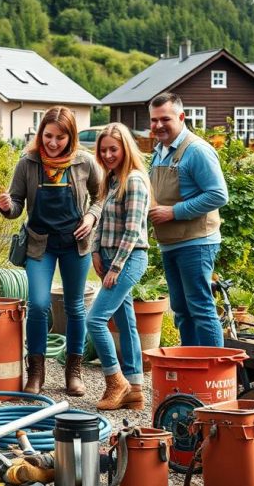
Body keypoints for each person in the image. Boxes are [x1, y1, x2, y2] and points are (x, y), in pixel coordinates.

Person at [0, 106, 102, 396]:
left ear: (71, 137)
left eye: (60, 137)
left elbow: (101, 195)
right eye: (48, 136)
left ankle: (73, 371)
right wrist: (8, 207)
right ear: (40, 133)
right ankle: (37, 372)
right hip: (39, 244)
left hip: (74, 244)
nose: (53, 143)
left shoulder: (84, 162)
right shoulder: (28, 163)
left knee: (74, 307)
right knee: (39, 304)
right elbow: (16, 203)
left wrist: (91, 216)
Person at [147, 92, 228, 347]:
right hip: (170, 243)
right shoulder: (160, 151)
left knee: (201, 309)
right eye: (153, 120)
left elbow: (218, 195)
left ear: (181, 117)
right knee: (181, 310)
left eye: (165, 119)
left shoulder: (197, 150)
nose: (158, 125)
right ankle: (191, 368)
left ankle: (214, 375)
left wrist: (174, 212)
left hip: (197, 242)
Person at [86, 124, 149, 410]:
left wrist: (115, 268)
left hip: (129, 258)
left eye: (114, 149)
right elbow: (100, 218)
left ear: (125, 148)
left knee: (95, 320)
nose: (108, 154)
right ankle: (135, 389)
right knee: (126, 323)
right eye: (103, 150)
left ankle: (115, 380)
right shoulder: (110, 180)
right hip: (109, 257)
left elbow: (133, 230)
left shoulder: (134, 180)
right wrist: (95, 251)